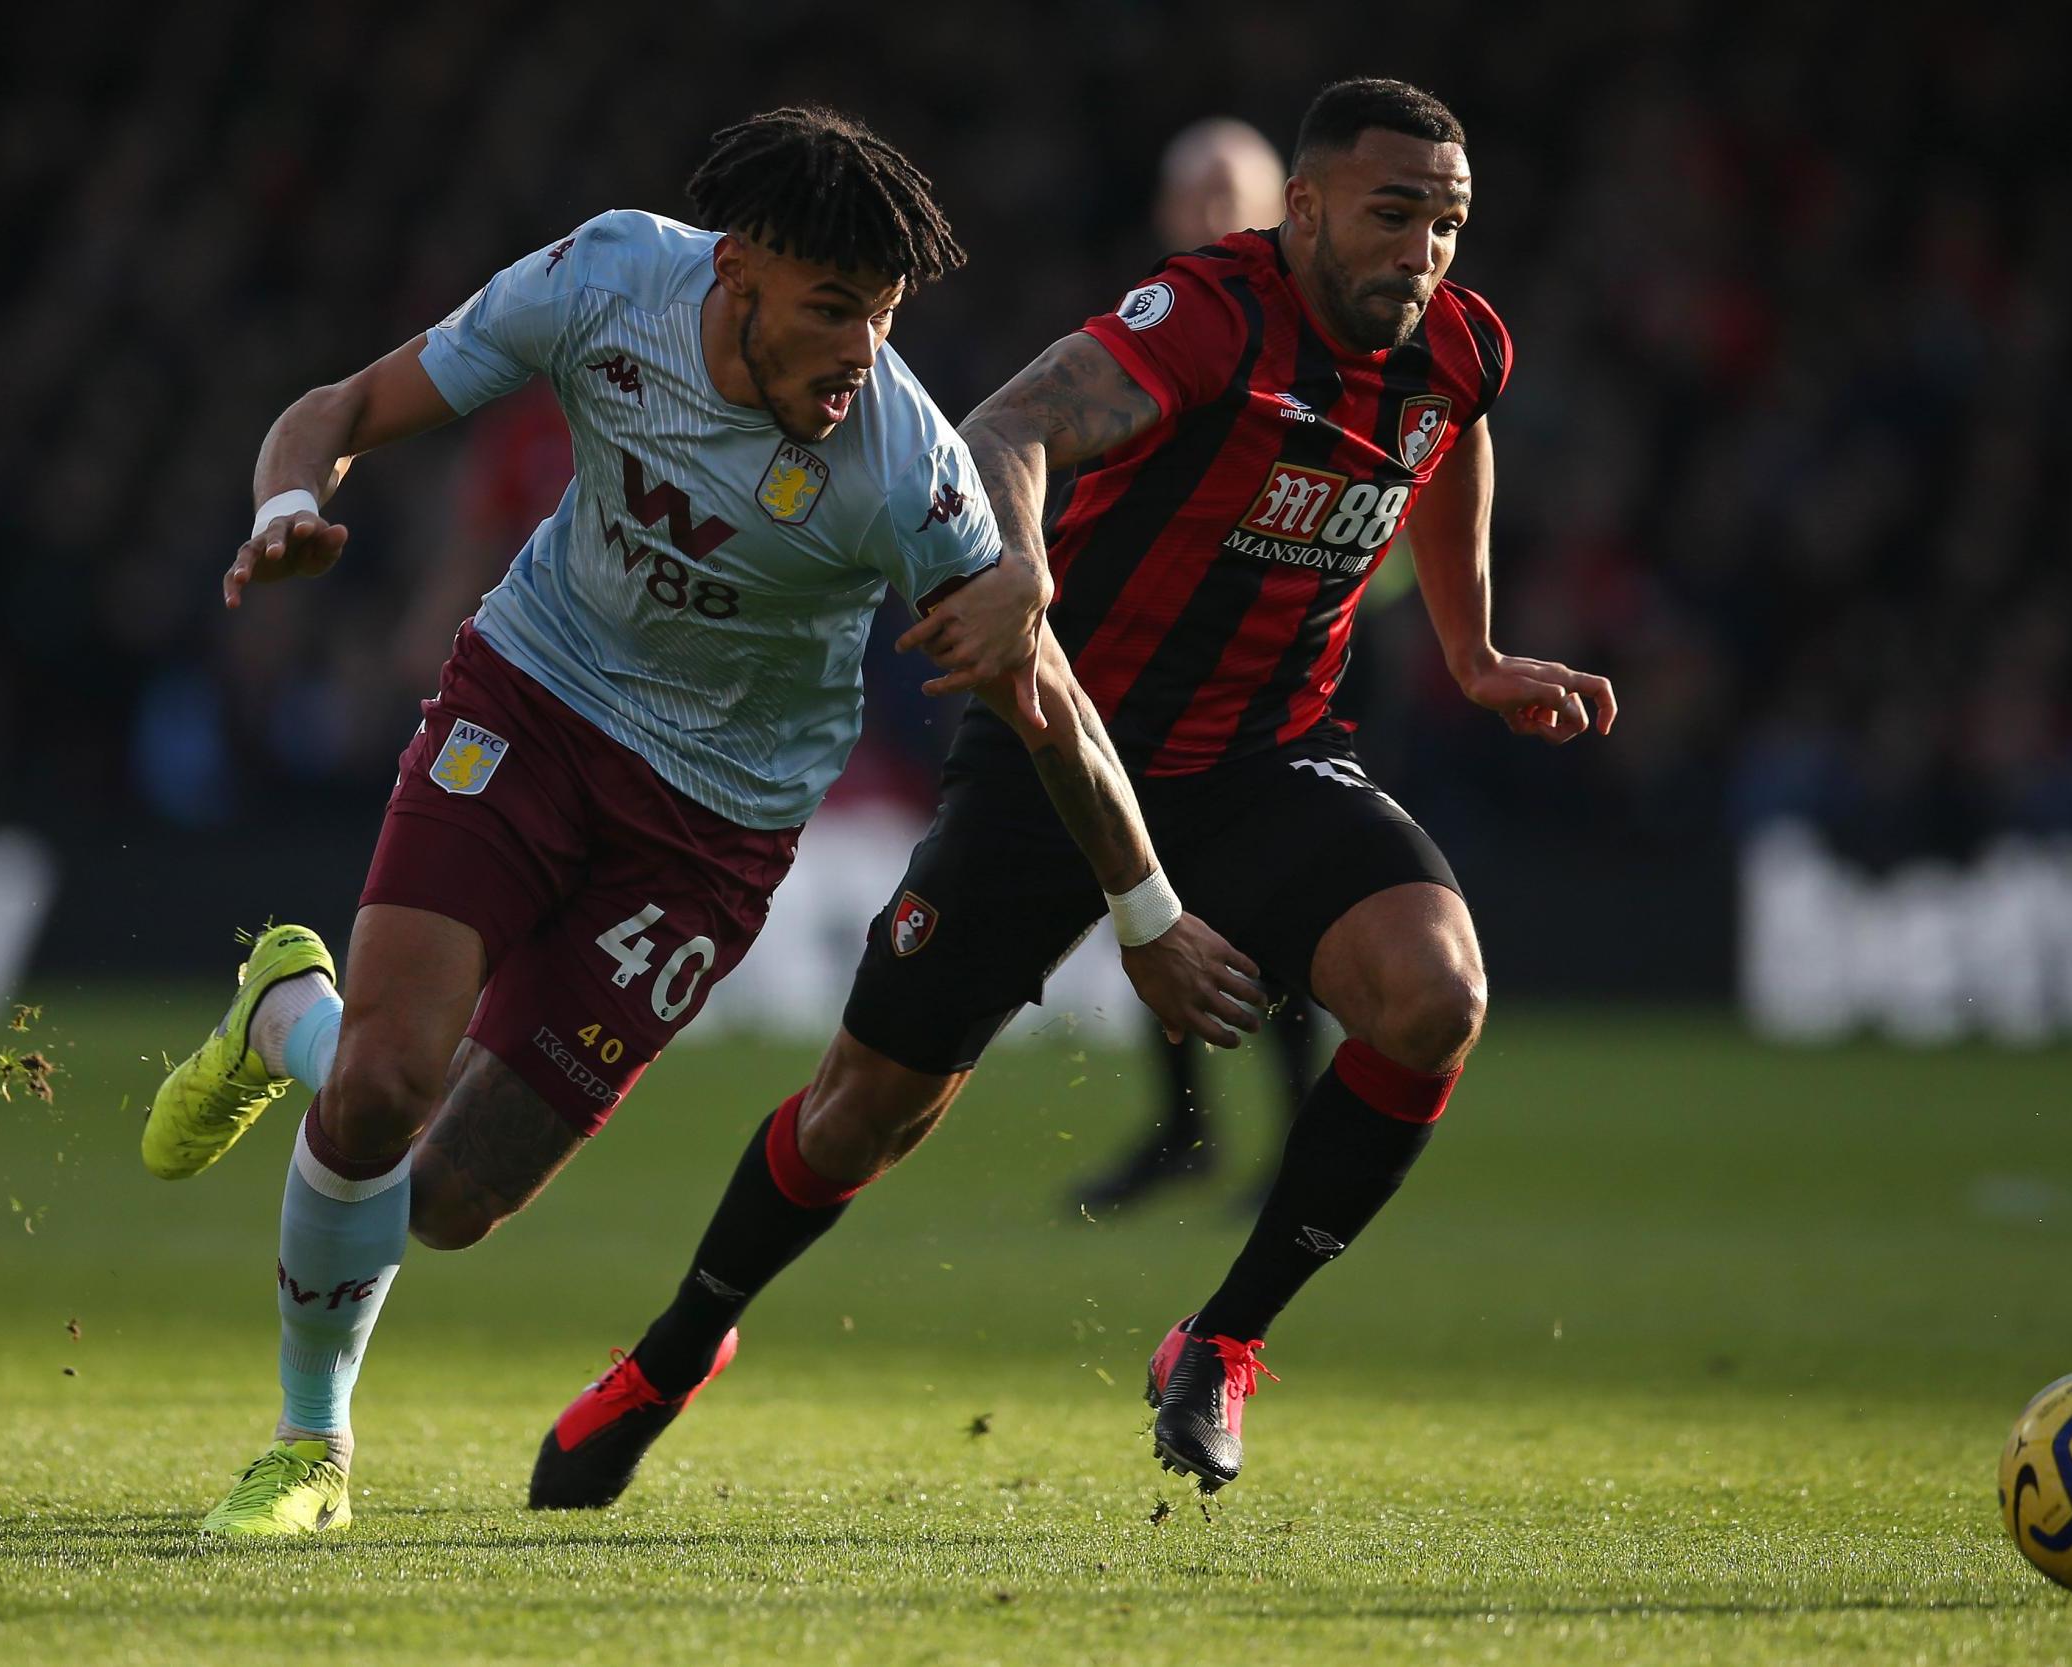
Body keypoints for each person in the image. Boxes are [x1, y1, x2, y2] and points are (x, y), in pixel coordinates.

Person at [139, 105, 1260, 1537]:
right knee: (379, 1087)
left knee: (451, 1196)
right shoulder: (608, 281)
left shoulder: (905, 468)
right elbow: (347, 404)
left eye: (885, 316)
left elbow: (1049, 698)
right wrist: (286, 498)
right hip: (530, 701)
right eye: (833, 308)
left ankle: (283, 1006)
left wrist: (1145, 911)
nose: (862, 350)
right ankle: (311, 1447)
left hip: (709, 827)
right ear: (735, 272)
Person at [579, 77, 1617, 1504]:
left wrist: (1472, 645)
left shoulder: (1455, 347)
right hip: (1061, 747)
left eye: (1445, 224)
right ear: (1301, 208)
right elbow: (1005, 426)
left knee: (1435, 991)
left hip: (1261, 757)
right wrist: (1020, 572)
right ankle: (675, 1347)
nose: (1422, 251)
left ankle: (1222, 1338)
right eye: (1392, 217)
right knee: (859, 1112)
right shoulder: (1211, 315)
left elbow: (1452, 435)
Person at [1074, 114, 1323, 1215]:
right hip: (1168, 672)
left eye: (1232, 193)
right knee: (1146, 890)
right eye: (1194, 195)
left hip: (1314, 668)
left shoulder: (1335, 344)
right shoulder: (1155, 340)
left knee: (1280, 902)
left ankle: (1296, 1134)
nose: (1212, 215)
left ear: (1285, 212)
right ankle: (1184, 1127)